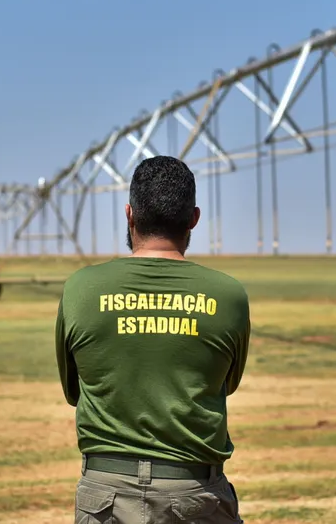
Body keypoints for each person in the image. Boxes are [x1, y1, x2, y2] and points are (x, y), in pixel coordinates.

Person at [56, 155, 250, 524]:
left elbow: (73, 390)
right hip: (195, 496)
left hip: (105, 496)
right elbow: (227, 382)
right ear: (194, 218)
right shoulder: (228, 295)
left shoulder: (81, 289)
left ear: (129, 214)